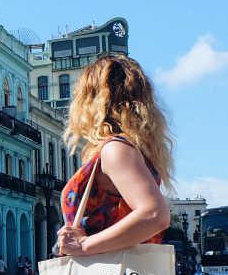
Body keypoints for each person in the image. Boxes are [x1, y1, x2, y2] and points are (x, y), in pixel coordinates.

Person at [56, 55, 173, 260]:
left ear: (92, 99)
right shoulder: (130, 150)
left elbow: (155, 215)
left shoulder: (116, 149)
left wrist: (84, 245)